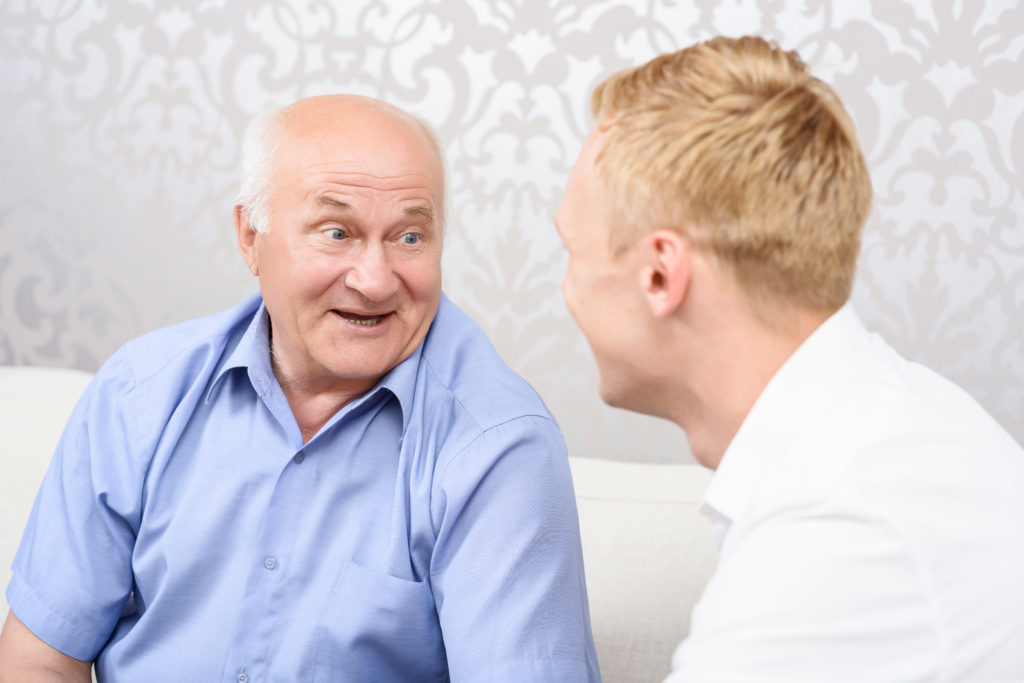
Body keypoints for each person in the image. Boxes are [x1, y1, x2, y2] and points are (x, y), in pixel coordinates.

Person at [0, 95, 600, 682]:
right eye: (337, 232)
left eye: (410, 238)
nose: (374, 280)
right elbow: (39, 658)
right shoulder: (140, 394)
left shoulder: (497, 448)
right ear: (249, 236)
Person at [555, 35, 1024, 682]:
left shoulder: (841, 520)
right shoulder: (890, 428)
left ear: (661, 274)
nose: (568, 289)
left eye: (572, 251)